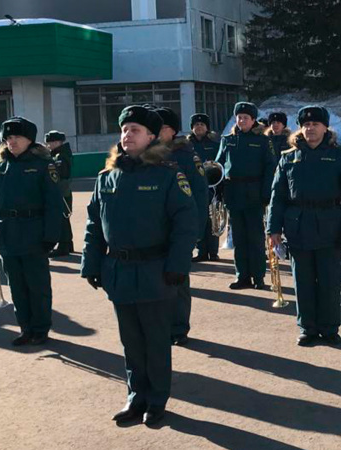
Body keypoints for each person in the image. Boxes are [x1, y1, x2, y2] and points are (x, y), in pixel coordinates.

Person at [81, 105, 197, 425]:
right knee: (131, 342)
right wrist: (91, 264)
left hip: (155, 271)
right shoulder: (107, 177)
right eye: (124, 129)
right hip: (118, 271)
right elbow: (94, 224)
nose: (127, 135)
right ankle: (136, 397)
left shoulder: (167, 174)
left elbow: (186, 224)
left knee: (156, 341)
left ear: (151, 137)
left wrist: (177, 266)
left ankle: (157, 401)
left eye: (135, 130)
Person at [267, 106, 341, 346]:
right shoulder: (288, 157)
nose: (310, 128)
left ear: (325, 127)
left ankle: (330, 328)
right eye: (306, 125)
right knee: (303, 281)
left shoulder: (340, 155)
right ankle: (307, 328)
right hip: (298, 226)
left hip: (330, 224)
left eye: (315, 124)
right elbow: (277, 195)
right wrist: (273, 229)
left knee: (329, 280)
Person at [0, 117, 63, 346]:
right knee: (17, 286)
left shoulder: (42, 167)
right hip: (7, 234)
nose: (12, 142)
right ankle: (25, 328)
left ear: (29, 139)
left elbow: (53, 204)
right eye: (8, 138)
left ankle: (40, 328)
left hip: (34, 233)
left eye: (16, 137)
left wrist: (51, 236)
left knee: (37, 285)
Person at [154, 107, 208, 346]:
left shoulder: (185, 155)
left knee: (178, 280)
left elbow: (199, 193)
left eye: (161, 127)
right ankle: (160, 325)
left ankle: (178, 328)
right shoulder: (145, 154)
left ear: (172, 131)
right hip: (152, 230)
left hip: (178, 231)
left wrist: (195, 231)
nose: (155, 132)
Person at [215, 102, 276, 289]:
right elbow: (219, 163)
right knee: (239, 238)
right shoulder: (228, 139)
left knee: (255, 238)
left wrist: (266, 193)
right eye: (239, 117)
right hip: (233, 193)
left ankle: (258, 277)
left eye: (245, 118)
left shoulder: (263, 141)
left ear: (253, 120)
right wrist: (217, 185)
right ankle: (242, 276)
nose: (241, 120)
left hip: (254, 193)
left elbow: (270, 168)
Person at [187, 113, 221, 262]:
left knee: (213, 219)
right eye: (196, 125)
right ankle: (201, 251)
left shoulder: (215, 145)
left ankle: (213, 252)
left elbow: (220, 164)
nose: (198, 127)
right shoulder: (187, 146)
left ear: (207, 128)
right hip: (194, 188)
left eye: (201, 125)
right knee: (198, 219)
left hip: (212, 187)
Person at [44, 130, 74, 257]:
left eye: (49, 143)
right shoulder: (59, 154)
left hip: (61, 192)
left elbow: (60, 176)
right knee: (64, 219)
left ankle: (63, 246)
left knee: (62, 219)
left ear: (57, 142)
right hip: (62, 191)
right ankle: (68, 244)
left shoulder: (60, 156)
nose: (48, 146)